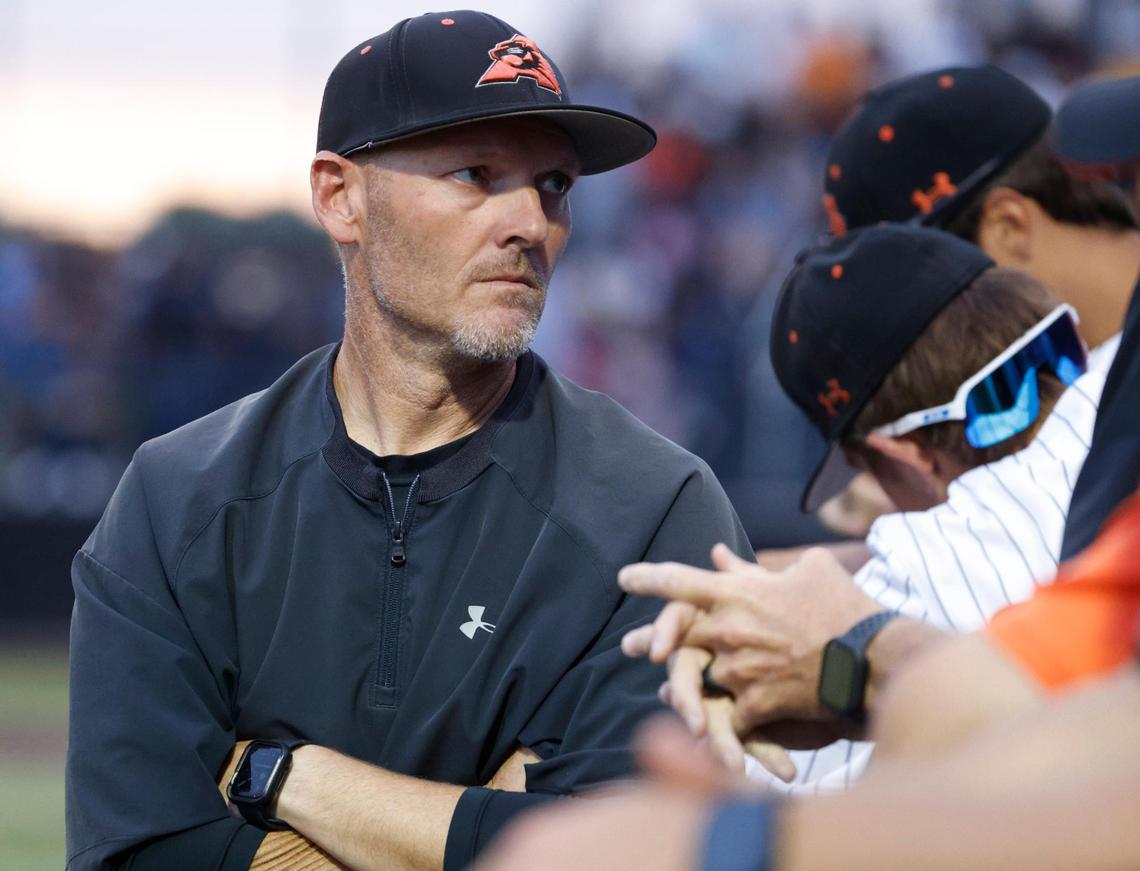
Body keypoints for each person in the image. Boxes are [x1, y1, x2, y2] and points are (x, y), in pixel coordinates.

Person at [64, 11, 754, 871]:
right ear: (339, 196)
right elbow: (139, 857)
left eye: (552, 187)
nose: (530, 226)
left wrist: (282, 776)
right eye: (475, 174)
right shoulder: (177, 500)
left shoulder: (655, 509)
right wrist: (489, 824)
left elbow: (643, 852)